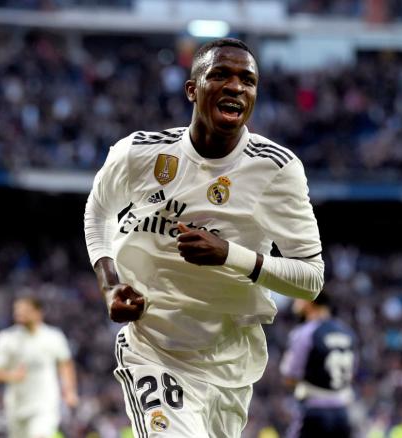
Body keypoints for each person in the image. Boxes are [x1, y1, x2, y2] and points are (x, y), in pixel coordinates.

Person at [84, 38, 324, 437]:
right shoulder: (139, 153)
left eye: (248, 80)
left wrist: (230, 254)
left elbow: (311, 279)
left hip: (230, 362)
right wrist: (110, 284)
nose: (236, 87)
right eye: (220, 75)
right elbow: (99, 211)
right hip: (154, 349)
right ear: (192, 89)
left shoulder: (276, 170)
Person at [0, 297, 79, 438]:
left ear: (38, 312)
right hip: (16, 405)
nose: (19, 313)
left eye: (24, 310)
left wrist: (69, 391)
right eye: (17, 310)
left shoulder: (53, 337)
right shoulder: (6, 339)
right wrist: (12, 376)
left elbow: (65, 364)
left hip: (45, 404)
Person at [280, 292, 356, 438]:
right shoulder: (347, 332)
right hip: (342, 413)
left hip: (314, 412)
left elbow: (289, 377)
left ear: (309, 302)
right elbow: (351, 375)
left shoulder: (305, 332)